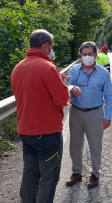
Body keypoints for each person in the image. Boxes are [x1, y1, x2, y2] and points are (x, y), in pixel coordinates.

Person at [10, 29, 70, 203]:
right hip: (47, 132)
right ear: (46, 45)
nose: (52, 49)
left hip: (25, 130)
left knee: (29, 172)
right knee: (48, 176)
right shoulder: (47, 68)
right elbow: (62, 99)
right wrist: (65, 87)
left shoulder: (18, 68)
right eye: (52, 46)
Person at [66, 41, 112, 189]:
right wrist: (72, 87)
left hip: (95, 113)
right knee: (75, 145)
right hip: (76, 111)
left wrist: (108, 116)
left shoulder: (103, 73)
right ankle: (76, 172)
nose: (87, 57)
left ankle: (95, 174)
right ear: (80, 55)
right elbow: (66, 85)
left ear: (95, 54)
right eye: (84, 54)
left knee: (95, 145)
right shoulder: (74, 70)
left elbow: (109, 96)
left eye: (89, 54)